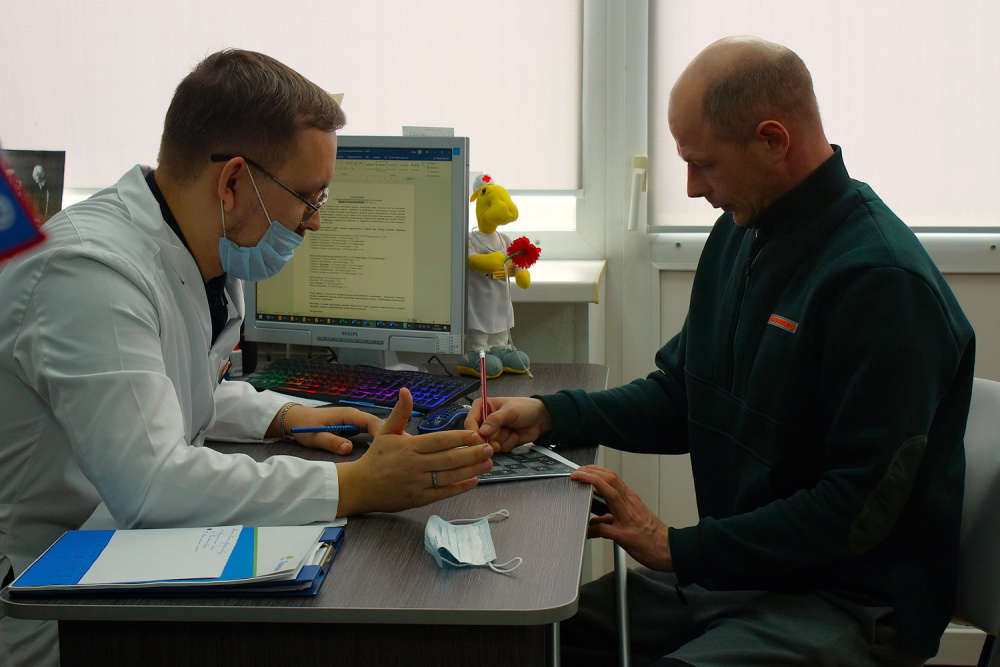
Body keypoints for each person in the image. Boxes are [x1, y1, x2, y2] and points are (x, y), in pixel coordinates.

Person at [468, 36, 975, 667]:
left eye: (702, 164)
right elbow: (685, 397)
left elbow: (854, 510)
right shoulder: (741, 234)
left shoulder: (882, 284)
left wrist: (678, 548)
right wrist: (551, 414)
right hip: (740, 577)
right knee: (512, 635)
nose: (690, 188)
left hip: (847, 602)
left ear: (773, 140)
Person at [0, 49, 493, 667]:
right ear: (232, 182)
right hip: (46, 603)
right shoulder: (88, 274)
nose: (315, 222)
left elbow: (162, 389)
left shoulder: (193, 248)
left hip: (113, 561)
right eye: (309, 198)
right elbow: (152, 484)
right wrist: (353, 485)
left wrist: (284, 416)